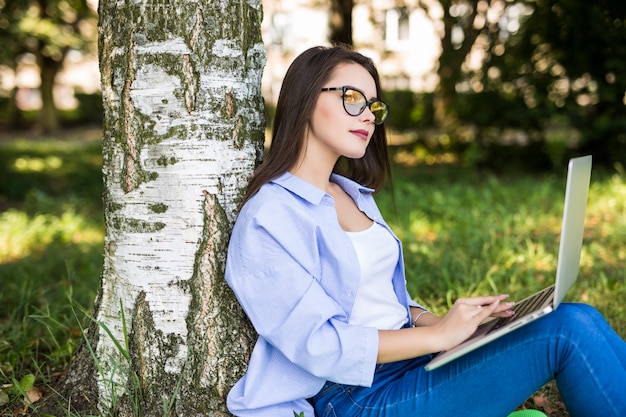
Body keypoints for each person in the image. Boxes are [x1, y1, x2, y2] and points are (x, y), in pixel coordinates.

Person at [224, 45, 626, 417]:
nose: (368, 115)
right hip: (354, 397)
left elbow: (379, 299)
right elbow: (321, 345)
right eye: (352, 99)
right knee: (567, 332)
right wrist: (440, 338)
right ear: (305, 99)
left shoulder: (352, 194)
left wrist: (452, 325)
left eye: (373, 106)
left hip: (410, 363)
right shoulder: (269, 216)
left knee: (578, 316)